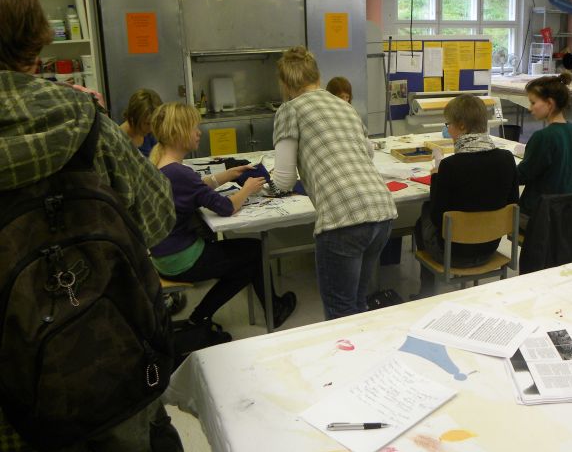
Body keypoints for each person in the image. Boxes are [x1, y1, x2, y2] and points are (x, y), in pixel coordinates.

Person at [0, 0, 182, 452]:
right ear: (34, 40)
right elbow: (159, 218)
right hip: (114, 358)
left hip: (14, 409)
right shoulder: (81, 119)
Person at [271, 46, 397, 320]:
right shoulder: (344, 106)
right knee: (357, 305)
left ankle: (348, 348)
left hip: (343, 220)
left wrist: (266, 183)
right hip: (382, 211)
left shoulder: (289, 110)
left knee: (340, 313)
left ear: (286, 84)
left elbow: (284, 180)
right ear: (317, 77)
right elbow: (368, 152)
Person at [148, 102, 297, 328]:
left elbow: (196, 187)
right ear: (179, 132)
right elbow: (226, 207)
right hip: (181, 259)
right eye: (194, 128)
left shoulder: (160, 164)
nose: (199, 132)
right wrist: (247, 189)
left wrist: (229, 174)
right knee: (255, 251)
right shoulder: (180, 173)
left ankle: (201, 316)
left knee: (246, 261)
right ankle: (270, 310)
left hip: (164, 256)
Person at [413, 94, 519, 298]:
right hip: (490, 248)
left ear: (461, 126)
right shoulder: (507, 159)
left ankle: (426, 291)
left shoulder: (450, 166)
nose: (447, 130)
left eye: (448, 125)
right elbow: (513, 204)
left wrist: (436, 178)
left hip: (453, 254)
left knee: (423, 215)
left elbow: (437, 217)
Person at [517, 73, 572, 221]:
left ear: (549, 103)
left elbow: (522, 176)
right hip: (568, 209)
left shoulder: (543, 137)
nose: (530, 108)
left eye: (533, 103)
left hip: (540, 212)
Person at [120, 88, 163, 157]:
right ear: (133, 117)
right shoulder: (119, 140)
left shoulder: (150, 134)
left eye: (154, 123)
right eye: (147, 123)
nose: (151, 129)